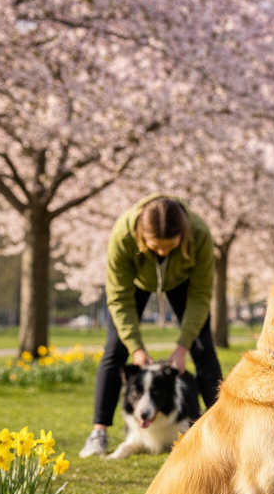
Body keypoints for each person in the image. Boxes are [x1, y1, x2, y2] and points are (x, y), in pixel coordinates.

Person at [78, 195, 223, 458]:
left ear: (184, 234)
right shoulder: (123, 235)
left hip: (184, 284)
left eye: (170, 246)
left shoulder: (200, 234)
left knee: (204, 352)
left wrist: (181, 348)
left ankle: (225, 431)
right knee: (114, 350)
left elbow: (201, 295)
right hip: (136, 285)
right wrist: (135, 347)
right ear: (141, 237)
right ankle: (99, 432)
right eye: (156, 246)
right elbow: (119, 297)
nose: (162, 252)